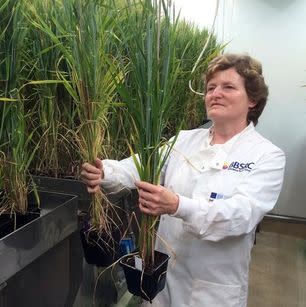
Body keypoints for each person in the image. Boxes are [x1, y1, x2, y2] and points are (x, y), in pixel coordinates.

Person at [80, 53, 286, 307]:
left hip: (213, 290)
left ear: (253, 99)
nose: (215, 94)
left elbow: (241, 215)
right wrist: (105, 172)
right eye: (210, 88)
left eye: (228, 87)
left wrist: (178, 205)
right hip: (164, 282)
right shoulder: (185, 140)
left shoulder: (266, 155)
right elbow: (138, 167)